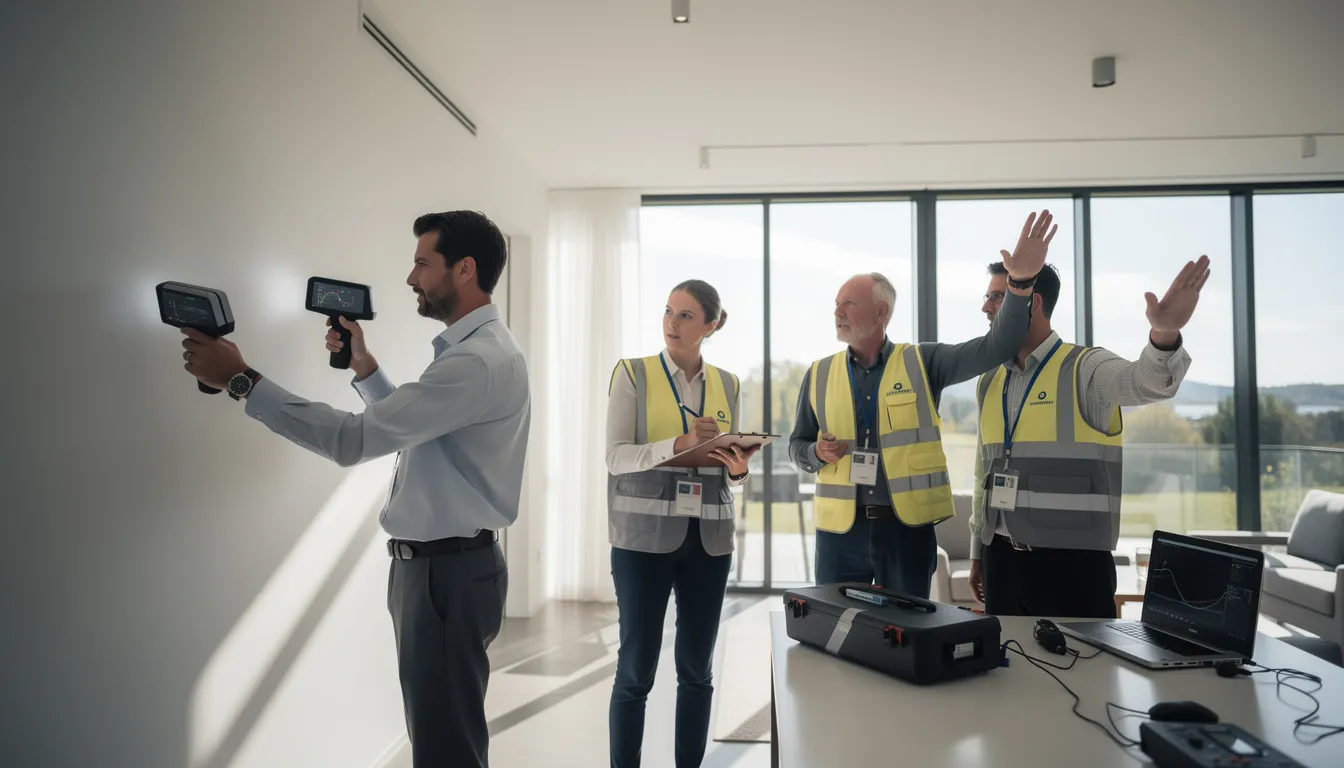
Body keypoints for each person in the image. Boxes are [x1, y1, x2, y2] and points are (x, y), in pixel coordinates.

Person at [176, 210, 528, 768]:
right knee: (444, 733)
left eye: (421, 263)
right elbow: (418, 429)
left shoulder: (475, 362)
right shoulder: (481, 351)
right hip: (443, 570)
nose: (411, 278)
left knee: (444, 747)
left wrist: (244, 381)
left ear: (465, 269)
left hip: (445, 576)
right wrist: (365, 369)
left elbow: (352, 441)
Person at [788, 211, 1057, 598]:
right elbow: (797, 446)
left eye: (848, 303)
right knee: (835, 629)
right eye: (836, 303)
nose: (837, 311)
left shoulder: (923, 362)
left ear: (881, 312)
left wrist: (1019, 286)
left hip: (905, 532)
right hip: (839, 535)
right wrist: (815, 452)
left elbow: (996, 346)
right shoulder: (818, 374)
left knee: (905, 636)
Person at [967, 256, 1208, 618]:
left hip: (1070, 568)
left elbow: (1145, 383)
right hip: (999, 559)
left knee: (1085, 674)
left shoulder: (1085, 367)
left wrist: (1163, 336)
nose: (985, 307)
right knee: (1007, 672)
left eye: (997, 297)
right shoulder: (990, 381)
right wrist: (978, 551)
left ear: (1030, 303)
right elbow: (981, 475)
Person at [605, 280, 759, 768]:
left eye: (686, 315)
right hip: (642, 542)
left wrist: (738, 469)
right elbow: (615, 458)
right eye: (669, 311)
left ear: (710, 326)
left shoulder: (729, 384)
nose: (672, 322)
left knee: (697, 671)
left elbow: (726, 471)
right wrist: (679, 442)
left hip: (709, 543)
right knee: (635, 672)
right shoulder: (632, 374)